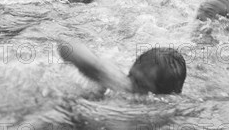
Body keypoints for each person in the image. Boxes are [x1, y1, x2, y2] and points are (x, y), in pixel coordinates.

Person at [59, 41, 187, 95]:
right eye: (130, 76)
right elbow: (66, 47)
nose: (130, 84)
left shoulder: (160, 115)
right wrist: (97, 67)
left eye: (140, 84)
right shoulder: (115, 84)